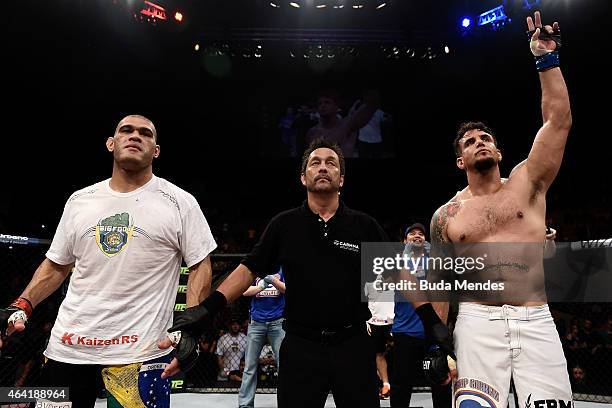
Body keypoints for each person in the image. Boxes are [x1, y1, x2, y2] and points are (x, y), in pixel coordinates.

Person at [165, 138, 454, 408]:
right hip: (301, 348)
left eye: (331, 163)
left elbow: (400, 275)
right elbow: (247, 270)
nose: (323, 167)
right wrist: (206, 309)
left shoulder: (363, 225)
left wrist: (432, 323)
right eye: (315, 162)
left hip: (353, 345)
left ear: (341, 179)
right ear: (304, 177)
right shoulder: (284, 225)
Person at [0, 114, 216, 407]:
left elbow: (200, 264)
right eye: (126, 130)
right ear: (111, 144)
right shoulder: (80, 200)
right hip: (68, 348)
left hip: (141, 353)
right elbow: (57, 264)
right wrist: (22, 304)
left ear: (156, 150)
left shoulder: (180, 201)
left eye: (145, 133)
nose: (135, 136)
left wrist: (191, 326)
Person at [429, 11, 573, 407]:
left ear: (498, 151)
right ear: (460, 160)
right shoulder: (447, 215)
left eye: (485, 137)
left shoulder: (528, 184)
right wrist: (438, 343)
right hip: (477, 323)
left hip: (535, 317)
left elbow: (558, 122)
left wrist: (546, 58)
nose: (479, 142)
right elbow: (441, 282)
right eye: (470, 141)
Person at [390, 223, 451, 408]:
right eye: (412, 234)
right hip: (405, 333)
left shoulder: (433, 263)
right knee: (401, 386)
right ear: (404, 240)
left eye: (421, 234)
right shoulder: (396, 263)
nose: (417, 236)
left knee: (441, 384)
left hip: (432, 335)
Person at [238, 269, 286, 408]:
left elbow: (288, 289)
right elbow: (244, 290)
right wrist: (261, 286)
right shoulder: (255, 268)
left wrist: (274, 281)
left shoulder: (283, 269)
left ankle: (286, 402)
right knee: (249, 366)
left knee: (283, 366)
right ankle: (245, 405)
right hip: (256, 322)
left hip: (278, 322)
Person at [305, 89, 380, 158]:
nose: (322, 106)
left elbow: (371, 105)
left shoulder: (348, 125)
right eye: (319, 104)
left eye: (327, 102)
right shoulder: (312, 132)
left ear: (336, 107)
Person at [364, 272, 394, 399]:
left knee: (394, 354)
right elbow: (363, 302)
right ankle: (385, 385)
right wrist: (365, 321)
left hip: (393, 321)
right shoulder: (367, 279)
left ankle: (389, 385)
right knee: (377, 355)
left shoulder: (395, 274)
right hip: (374, 322)